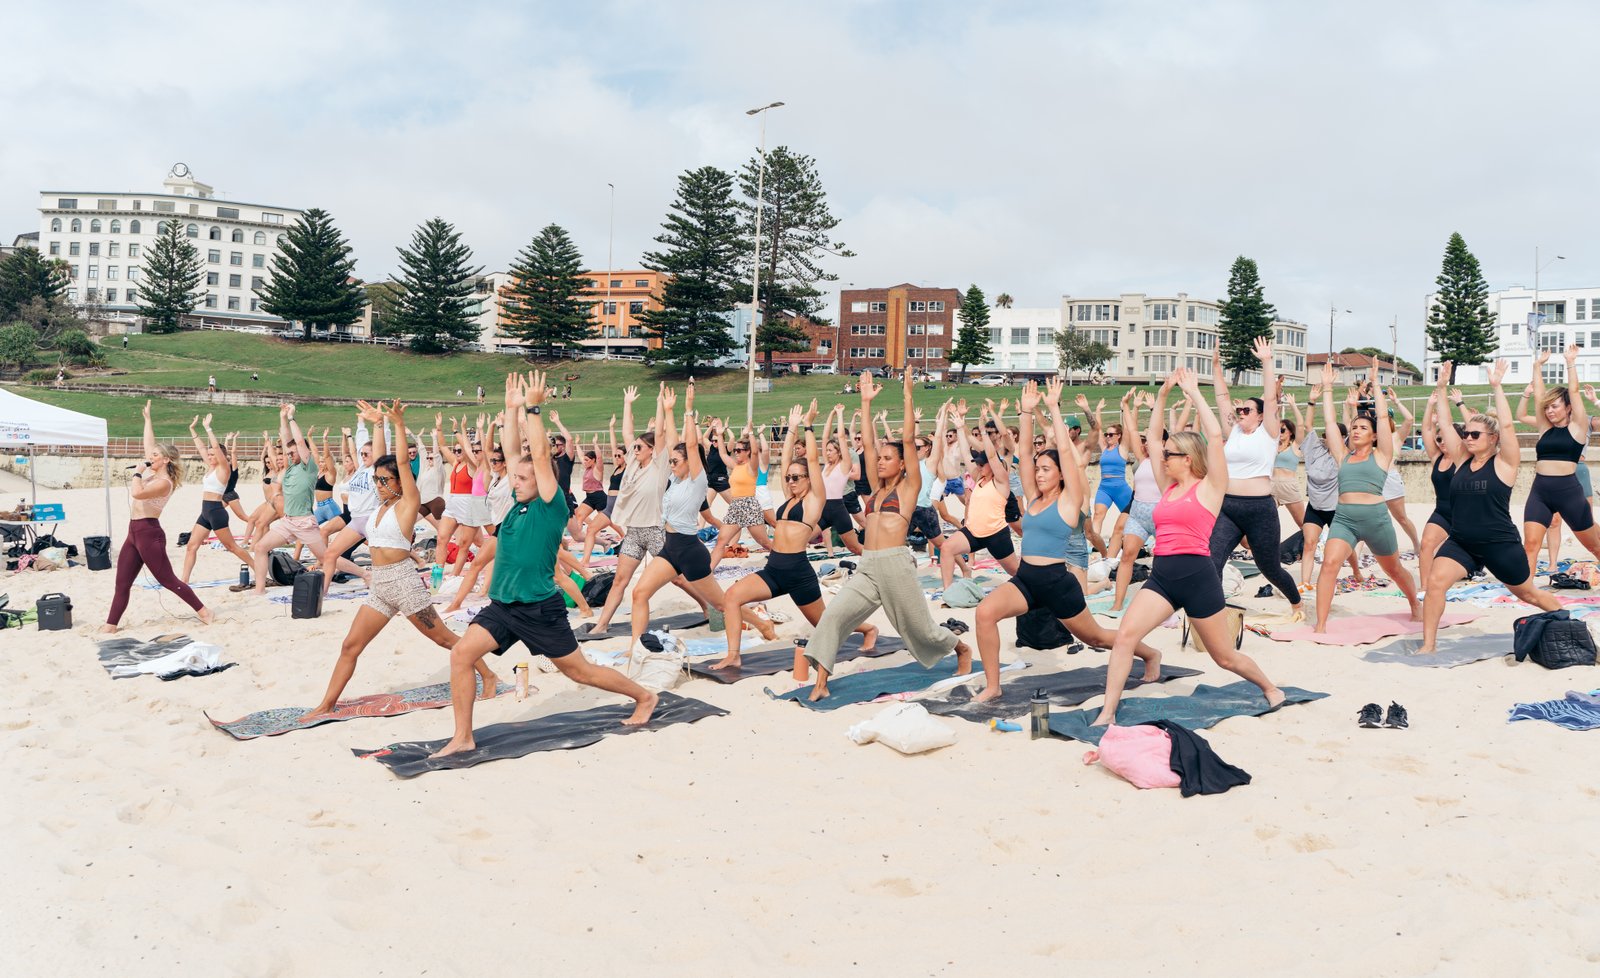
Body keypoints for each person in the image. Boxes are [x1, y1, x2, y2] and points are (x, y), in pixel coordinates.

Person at [431, 373, 658, 758]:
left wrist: (533, 410)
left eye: (523, 478)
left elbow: (537, 457)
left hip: (539, 610)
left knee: (579, 671)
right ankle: (463, 736)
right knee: (461, 654)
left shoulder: (550, 508)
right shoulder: (515, 507)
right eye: (514, 477)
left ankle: (644, 696)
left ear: (543, 480)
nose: (515, 481)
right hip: (503, 606)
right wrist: (511, 407)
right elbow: (512, 453)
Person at [1091, 369, 1286, 725]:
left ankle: (1271, 688)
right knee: (1124, 637)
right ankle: (1108, 711)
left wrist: (1196, 393)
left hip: (1198, 577)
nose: (1163, 456)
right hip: (1163, 576)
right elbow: (1151, 439)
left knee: (1224, 657)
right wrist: (1163, 395)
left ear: (1188, 458)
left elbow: (1214, 435)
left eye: (1171, 453)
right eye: (1164, 453)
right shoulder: (1168, 485)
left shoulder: (1211, 487)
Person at [305, 401, 498, 718]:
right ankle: (327, 704)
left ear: (399, 482)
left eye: (385, 481)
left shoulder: (407, 503)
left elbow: (401, 465)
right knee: (350, 646)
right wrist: (376, 424)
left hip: (404, 582)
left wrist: (397, 423)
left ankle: (488, 676)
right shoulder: (377, 507)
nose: (379, 486)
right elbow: (381, 462)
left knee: (445, 639)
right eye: (377, 480)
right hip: (379, 585)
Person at [972, 379, 1161, 701]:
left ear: (1062, 473)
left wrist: (1054, 409)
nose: (1040, 473)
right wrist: (1027, 413)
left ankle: (1150, 654)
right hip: (1027, 579)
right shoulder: (1032, 497)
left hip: (1059, 583)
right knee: (984, 613)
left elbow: (1063, 451)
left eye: (1048, 469)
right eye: (1039, 469)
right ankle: (993, 685)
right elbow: (1026, 454)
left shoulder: (1070, 501)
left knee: (1098, 637)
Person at [803, 372, 972, 702]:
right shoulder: (876, 490)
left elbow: (908, 440)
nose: (880, 462)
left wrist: (908, 396)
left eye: (887, 458)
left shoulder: (910, 488)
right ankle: (821, 681)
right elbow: (867, 443)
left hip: (896, 564)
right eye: (879, 459)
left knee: (918, 629)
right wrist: (865, 404)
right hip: (867, 565)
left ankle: (961, 648)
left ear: (901, 464)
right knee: (835, 615)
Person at [712, 402, 877, 670]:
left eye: (796, 477)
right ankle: (733, 654)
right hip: (774, 569)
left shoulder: (815, 500)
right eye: (788, 478)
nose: (790, 481)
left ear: (809, 479)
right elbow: (789, 459)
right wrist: (790, 429)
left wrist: (809, 427)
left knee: (825, 623)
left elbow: (811, 460)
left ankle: (868, 629)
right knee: (731, 597)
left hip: (798, 573)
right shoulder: (789, 499)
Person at [1417, 360, 1562, 652]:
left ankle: (1567, 622)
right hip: (1461, 541)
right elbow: (1445, 423)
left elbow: (1507, 424)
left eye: (1475, 435)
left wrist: (1497, 386)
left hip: (1499, 543)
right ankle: (1428, 645)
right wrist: (1441, 388)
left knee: (1529, 594)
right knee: (1435, 583)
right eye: (1466, 434)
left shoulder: (1505, 462)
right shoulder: (1461, 459)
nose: (1467, 438)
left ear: (1492, 439)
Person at [627, 382, 772, 651]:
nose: (671, 464)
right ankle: (636, 647)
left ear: (689, 463)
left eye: (675, 461)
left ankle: (762, 625)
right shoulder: (675, 477)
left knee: (720, 604)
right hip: (670, 548)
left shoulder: (697, 479)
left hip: (690, 551)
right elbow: (674, 443)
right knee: (639, 593)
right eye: (670, 461)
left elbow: (691, 446)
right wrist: (668, 411)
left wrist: (689, 411)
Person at [584, 385, 707, 636]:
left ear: (652, 449)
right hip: (633, 533)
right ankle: (602, 623)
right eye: (635, 447)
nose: (635, 449)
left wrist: (661, 405)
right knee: (620, 580)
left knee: (678, 578)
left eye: (640, 447)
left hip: (655, 531)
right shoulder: (631, 463)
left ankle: (707, 605)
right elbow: (627, 431)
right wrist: (627, 403)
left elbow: (660, 434)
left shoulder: (661, 465)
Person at [1310, 363, 1421, 631]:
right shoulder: (1342, 456)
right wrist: (1327, 388)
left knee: (1393, 570)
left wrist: (1376, 385)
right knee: (1329, 564)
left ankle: (1415, 604)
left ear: (1373, 437)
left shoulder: (1382, 455)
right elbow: (1328, 423)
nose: (1357, 430)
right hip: (1345, 519)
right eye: (1354, 427)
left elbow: (1383, 419)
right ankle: (1321, 624)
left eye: (1362, 427)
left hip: (1376, 520)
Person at [1207, 339, 1303, 618]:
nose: (1241, 413)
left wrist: (1266, 361)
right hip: (1228, 507)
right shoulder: (1235, 431)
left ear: (1261, 416)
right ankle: (1214, 612)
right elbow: (1222, 397)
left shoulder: (1268, 433)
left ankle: (1296, 603)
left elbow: (1271, 398)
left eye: (1247, 410)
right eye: (1241, 410)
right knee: (1213, 561)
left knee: (1269, 567)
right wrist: (1216, 367)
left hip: (1260, 509)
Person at [103, 401, 215, 633]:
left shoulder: (164, 482)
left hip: (149, 533)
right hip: (133, 532)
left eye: (155, 456)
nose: (150, 457)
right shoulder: (155, 472)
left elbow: (137, 492)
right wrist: (147, 420)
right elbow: (149, 444)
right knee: (122, 582)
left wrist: (137, 472)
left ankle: (205, 612)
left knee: (168, 580)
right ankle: (111, 625)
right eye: (151, 455)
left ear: (166, 460)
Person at [1519, 345, 1600, 571]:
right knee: (1531, 545)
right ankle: (1527, 591)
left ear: (1568, 408)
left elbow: (1574, 392)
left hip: (1568, 492)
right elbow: (1540, 397)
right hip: (1540, 492)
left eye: (1555, 407)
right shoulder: (1545, 427)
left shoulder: (1578, 427)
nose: (1549, 411)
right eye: (1548, 408)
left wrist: (1570, 362)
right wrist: (1537, 366)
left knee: (1595, 547)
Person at [937, 401, 1022, 588]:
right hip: (974, 532)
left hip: (996, 535)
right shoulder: (979, 478)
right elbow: (967, 455)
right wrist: (960, 427)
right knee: (947, 548)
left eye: (981, 464)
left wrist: (983, 429)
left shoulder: (1000, 480)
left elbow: (992, 457)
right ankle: (947, 591)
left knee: (1015, 572)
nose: (977, 466)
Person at [250, 403, 329, 595]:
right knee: (260, 547)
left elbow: (299, 443)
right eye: (288, 453)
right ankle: (259, 590)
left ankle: (363, 573)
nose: (289, 454)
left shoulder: (308, 466)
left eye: (293, 453)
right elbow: (288, 440)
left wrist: (292, 418)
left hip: (304, 521)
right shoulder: (292, 467)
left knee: (326, 558)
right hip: (288, 520)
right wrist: (282, 417)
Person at [319, 403, 388, 594]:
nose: (363, 455)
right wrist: (356, 428)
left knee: (386, 561)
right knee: (330, 554)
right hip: (356, 519)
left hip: (372, 519)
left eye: (367, 453)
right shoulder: (360, 470)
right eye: (362, 453)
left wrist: (379, 423)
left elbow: (380, 449)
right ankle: (322, 594)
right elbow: (353, 448)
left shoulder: (378, 469)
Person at [179, 414, 252, 583]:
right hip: (205, 512)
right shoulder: (211, 467)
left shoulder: (224, 469)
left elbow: (216, 449)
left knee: (232, 547)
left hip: (216, 511)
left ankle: (257, 567)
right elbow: (202, 448)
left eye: (213, 455)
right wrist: (192, 429)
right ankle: (184, 580)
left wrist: (208, 428)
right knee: (191, 546)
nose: (209, 456)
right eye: (209, 455)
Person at [1110, 392, 1160, 612]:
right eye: (1145, 441)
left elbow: (1156, 433)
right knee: (1127, 555)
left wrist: (1153, 408)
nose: (1146, 443)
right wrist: (1127, 405)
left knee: (1164, 560)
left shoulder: (1165, 461)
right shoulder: (1143, 459)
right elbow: (1131, 431)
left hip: (1161, 515)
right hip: (1138, 513)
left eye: (1150, 440)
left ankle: (1159, 602)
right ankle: (1118, 603)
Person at [1418, 386, 1467, 588]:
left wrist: (1459, 403)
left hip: (1465, 514)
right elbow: (1427, 430)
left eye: (1445, 437)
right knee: (1426, 544)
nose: (1441, 442)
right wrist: (1430, 405)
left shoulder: (1462, 458)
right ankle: (1424, 588)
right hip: (1442, 512)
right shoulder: (1437, 457)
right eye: (1439, 439)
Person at [818, 406, 865, 558]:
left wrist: (839, 414)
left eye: (831, 450)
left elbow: (842, 439)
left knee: (855, 548)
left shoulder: (844, 465)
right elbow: (824, 438)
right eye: (827, 450)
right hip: (823, 508)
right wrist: (830, 414)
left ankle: (876, 557)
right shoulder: (827, 465)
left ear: (838, 452)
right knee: (803, 537)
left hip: (838, 508)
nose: (827, 452)